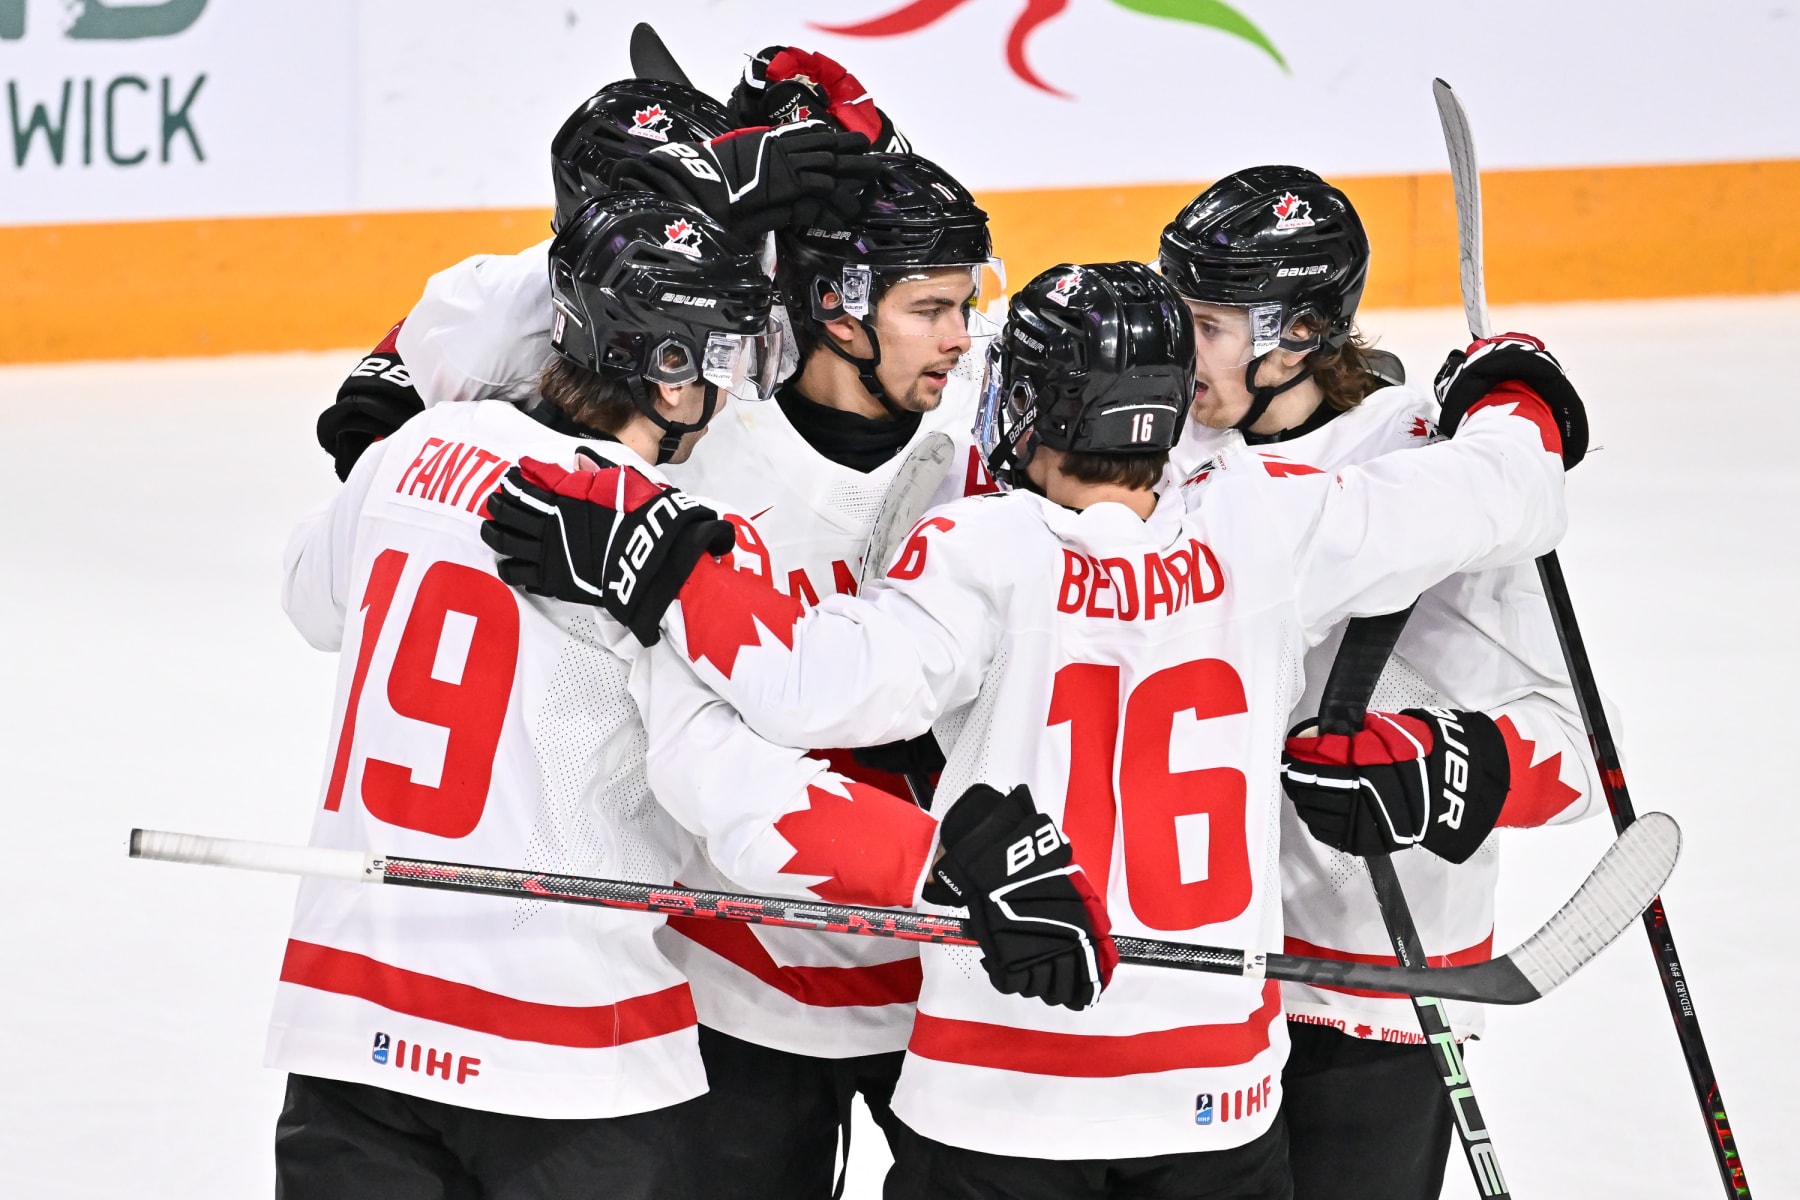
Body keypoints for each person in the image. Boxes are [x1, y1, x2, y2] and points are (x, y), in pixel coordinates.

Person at [481, 259, 1586, 1197]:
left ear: (1039, 411)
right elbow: (1501, 496)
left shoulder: (986, 549)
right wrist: (1516, 396)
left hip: (1001, 1099)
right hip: (1214, 1104)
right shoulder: (1270, 524)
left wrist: (667, 571)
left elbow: (814, 689)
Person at [269, 190, 1078, 1199]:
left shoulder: (406, 456)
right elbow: (736, 794)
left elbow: (312, 598)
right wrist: (947, 869)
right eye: (720, 357)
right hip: (561, 1050)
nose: (732, 384)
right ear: (663, 366)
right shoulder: (659, 536)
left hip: (349, 1026)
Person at [1158, 165, 1608, 1199]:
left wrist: (1446, 766)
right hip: (1187, 977)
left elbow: (1581, 747)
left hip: (1371, 993)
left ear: (1304, 333)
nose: (1174, 347)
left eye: (1210, 323)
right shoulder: (1152, 448)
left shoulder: (1433, 466)